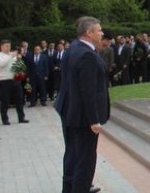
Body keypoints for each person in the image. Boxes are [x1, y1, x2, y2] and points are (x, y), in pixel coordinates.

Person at [56, 16, 110, 193]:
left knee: (72, 154)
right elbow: (87, 91)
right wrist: (93, 120)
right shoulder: (86, 54)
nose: (102, 33)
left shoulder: (73, 48)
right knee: (85, 160)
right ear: (89, 33)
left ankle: (70, 188)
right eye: (99, 30)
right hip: (82, 117)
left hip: (70, 111)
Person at [0, 40, 28, 125]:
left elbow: (18, 65)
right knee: (5, 101)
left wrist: (20, 68)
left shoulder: (13, 55)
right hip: (4, 80)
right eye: (6, 46)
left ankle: (21, 117)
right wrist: (11, 56)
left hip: (15, 80)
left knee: (19, 99)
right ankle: (5, 119)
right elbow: (1, 64)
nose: (8, 48)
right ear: (1, 46)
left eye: (9, 46)